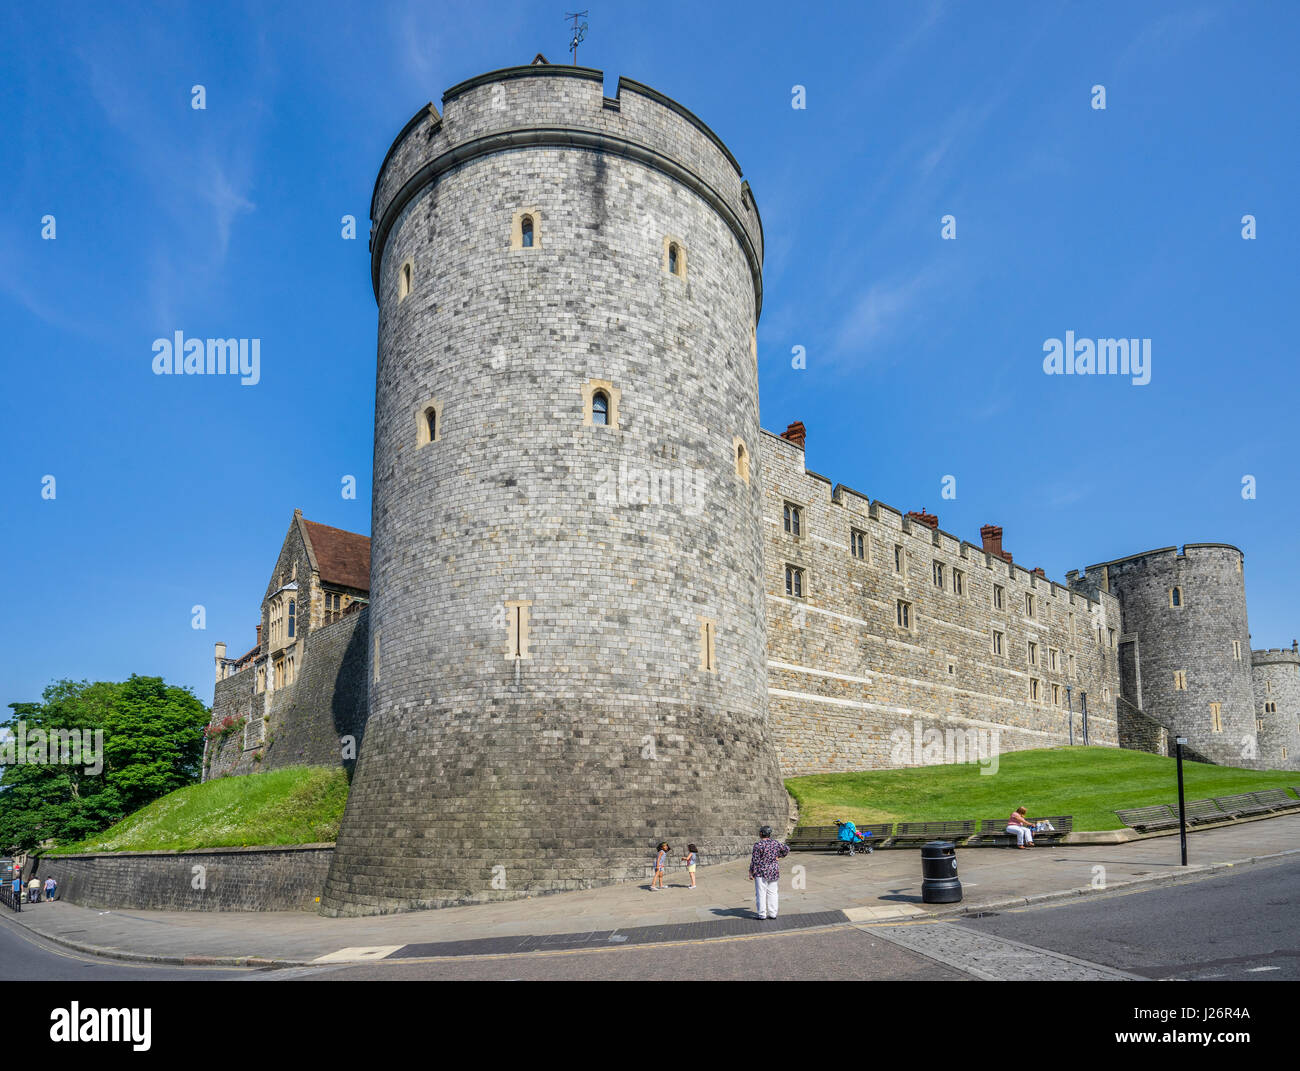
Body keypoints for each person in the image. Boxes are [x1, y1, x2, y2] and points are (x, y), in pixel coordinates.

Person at [748, 825, 790, 920]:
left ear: (761, 833)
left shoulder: (758, 845)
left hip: (761, 872)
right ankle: (773, 913)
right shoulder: (775, 843)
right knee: (773, 893)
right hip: (774, 870)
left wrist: (751, 871)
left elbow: (755, 860)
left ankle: (762, 914)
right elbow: (787, 849)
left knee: (761, 893)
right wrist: (779, 856)